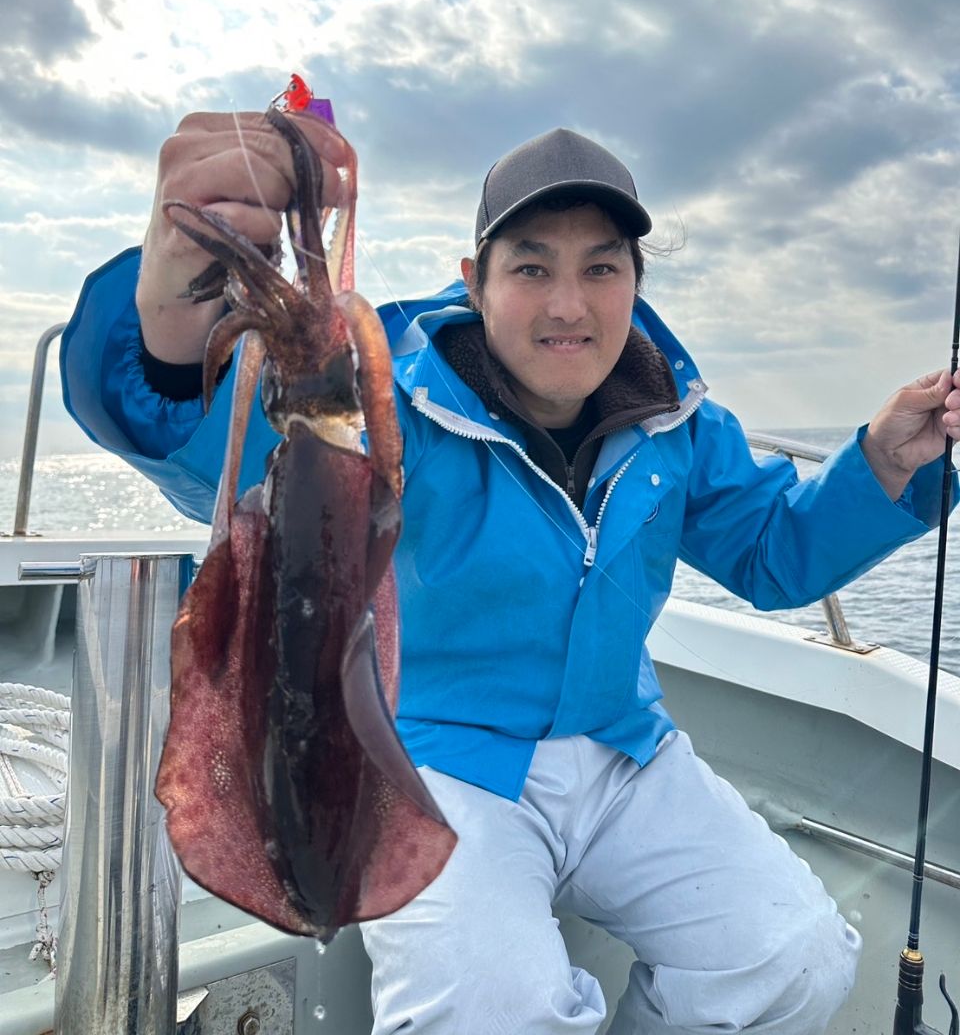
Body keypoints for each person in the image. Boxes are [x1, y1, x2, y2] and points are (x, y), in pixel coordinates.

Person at [61, 110, 960, 1035]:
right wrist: (169, 319)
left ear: (635, 284)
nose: (568, 304)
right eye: (531, 266)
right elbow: (200, 435)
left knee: (795, 959)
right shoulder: (393, 395)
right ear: (474, 282)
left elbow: (776, 552)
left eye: (600, 268)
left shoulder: (675, 421)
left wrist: (887, 466)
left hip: (627, 750)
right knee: (491, 1007)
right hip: (438, 757)